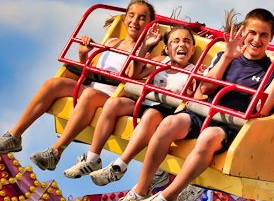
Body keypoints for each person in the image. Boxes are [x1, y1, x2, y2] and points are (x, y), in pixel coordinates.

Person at [107, 8, 274, 201]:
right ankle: (139, 192)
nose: (257, 39)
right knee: (169, 122)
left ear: (271, 37)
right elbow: (206, 88)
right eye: (253, 33)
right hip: (206, 112)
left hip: (232, 125)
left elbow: (264, 109)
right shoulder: (226, 55)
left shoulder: (272, 69)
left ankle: (166, 197)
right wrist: (228, 57)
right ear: (243, 32)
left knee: (208, 136)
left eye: (264, 35)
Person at [0, 0, 155, 172]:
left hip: (114, 99)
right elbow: (88, 75)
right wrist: (83, 55)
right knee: (53, 84)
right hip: (92, 88)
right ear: (124, 17)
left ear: (150, 25)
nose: (135, 21)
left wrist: (142, 47)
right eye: (131, 15)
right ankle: (15, 136)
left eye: (142, 18)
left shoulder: (147, 54)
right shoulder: (110, 42)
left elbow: (132, 76)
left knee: (89, 95)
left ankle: (56, 151)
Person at [62, 25, 199, 187]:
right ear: (167, 49)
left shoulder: (194, 71)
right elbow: (133, 73)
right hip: (146, 104)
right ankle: (92, 159)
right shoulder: (161, 61)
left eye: (187, 41)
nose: (182, 44)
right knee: (114, 103)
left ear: (193, 50)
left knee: (150, 115)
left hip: (168, 112)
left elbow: (196, 96)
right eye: (176, 41)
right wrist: (145, 46)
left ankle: (119, 166)